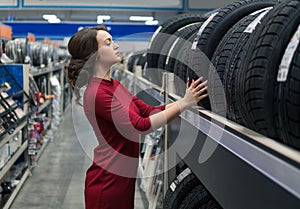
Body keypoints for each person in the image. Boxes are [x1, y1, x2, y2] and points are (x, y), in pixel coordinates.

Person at [66, 25, 208, 209]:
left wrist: (186, 99)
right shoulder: (96, 93)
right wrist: (184, 104)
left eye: (113, 40)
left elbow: (149, 111)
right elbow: (140, 125)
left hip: (122, 177)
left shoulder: (114, 85)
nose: (116, 45)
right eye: (108, 43)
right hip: (107, 182)